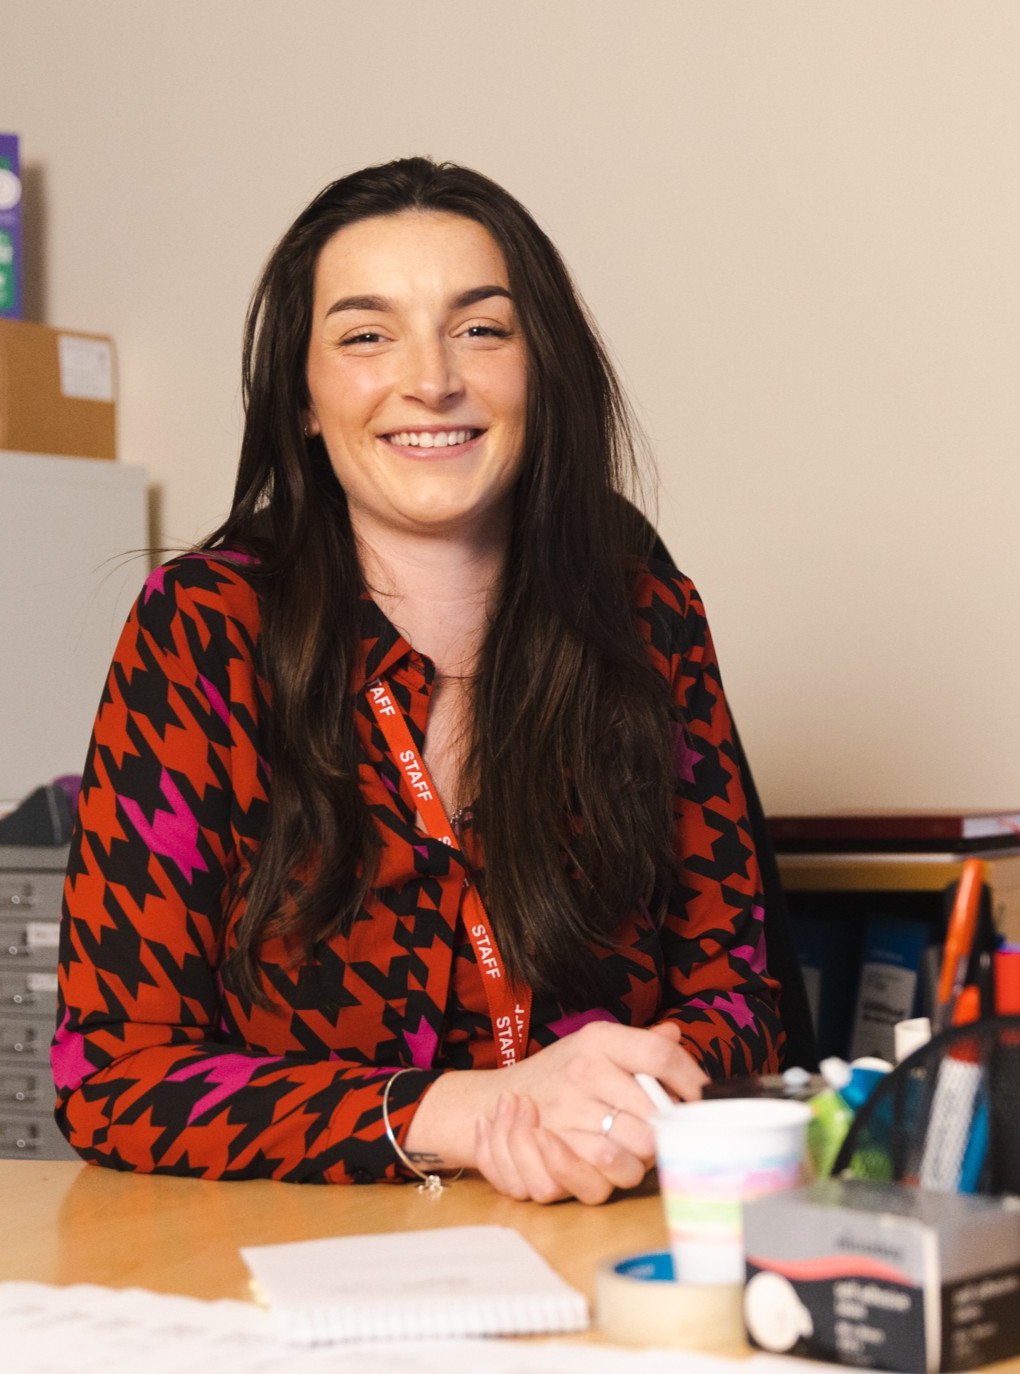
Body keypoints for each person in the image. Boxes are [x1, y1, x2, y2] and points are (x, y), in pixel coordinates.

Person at [53, 158, 783, 1203]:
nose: (431, 378)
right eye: (365, 334)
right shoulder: (202, 631)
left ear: (544, 372)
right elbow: (113, 1076)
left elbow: (741, 1002)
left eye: (481, 329)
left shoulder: (651, 626)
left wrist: (630, 1090)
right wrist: (467, 1113)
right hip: (284, 1267)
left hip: (590, 1231)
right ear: (302, 399)